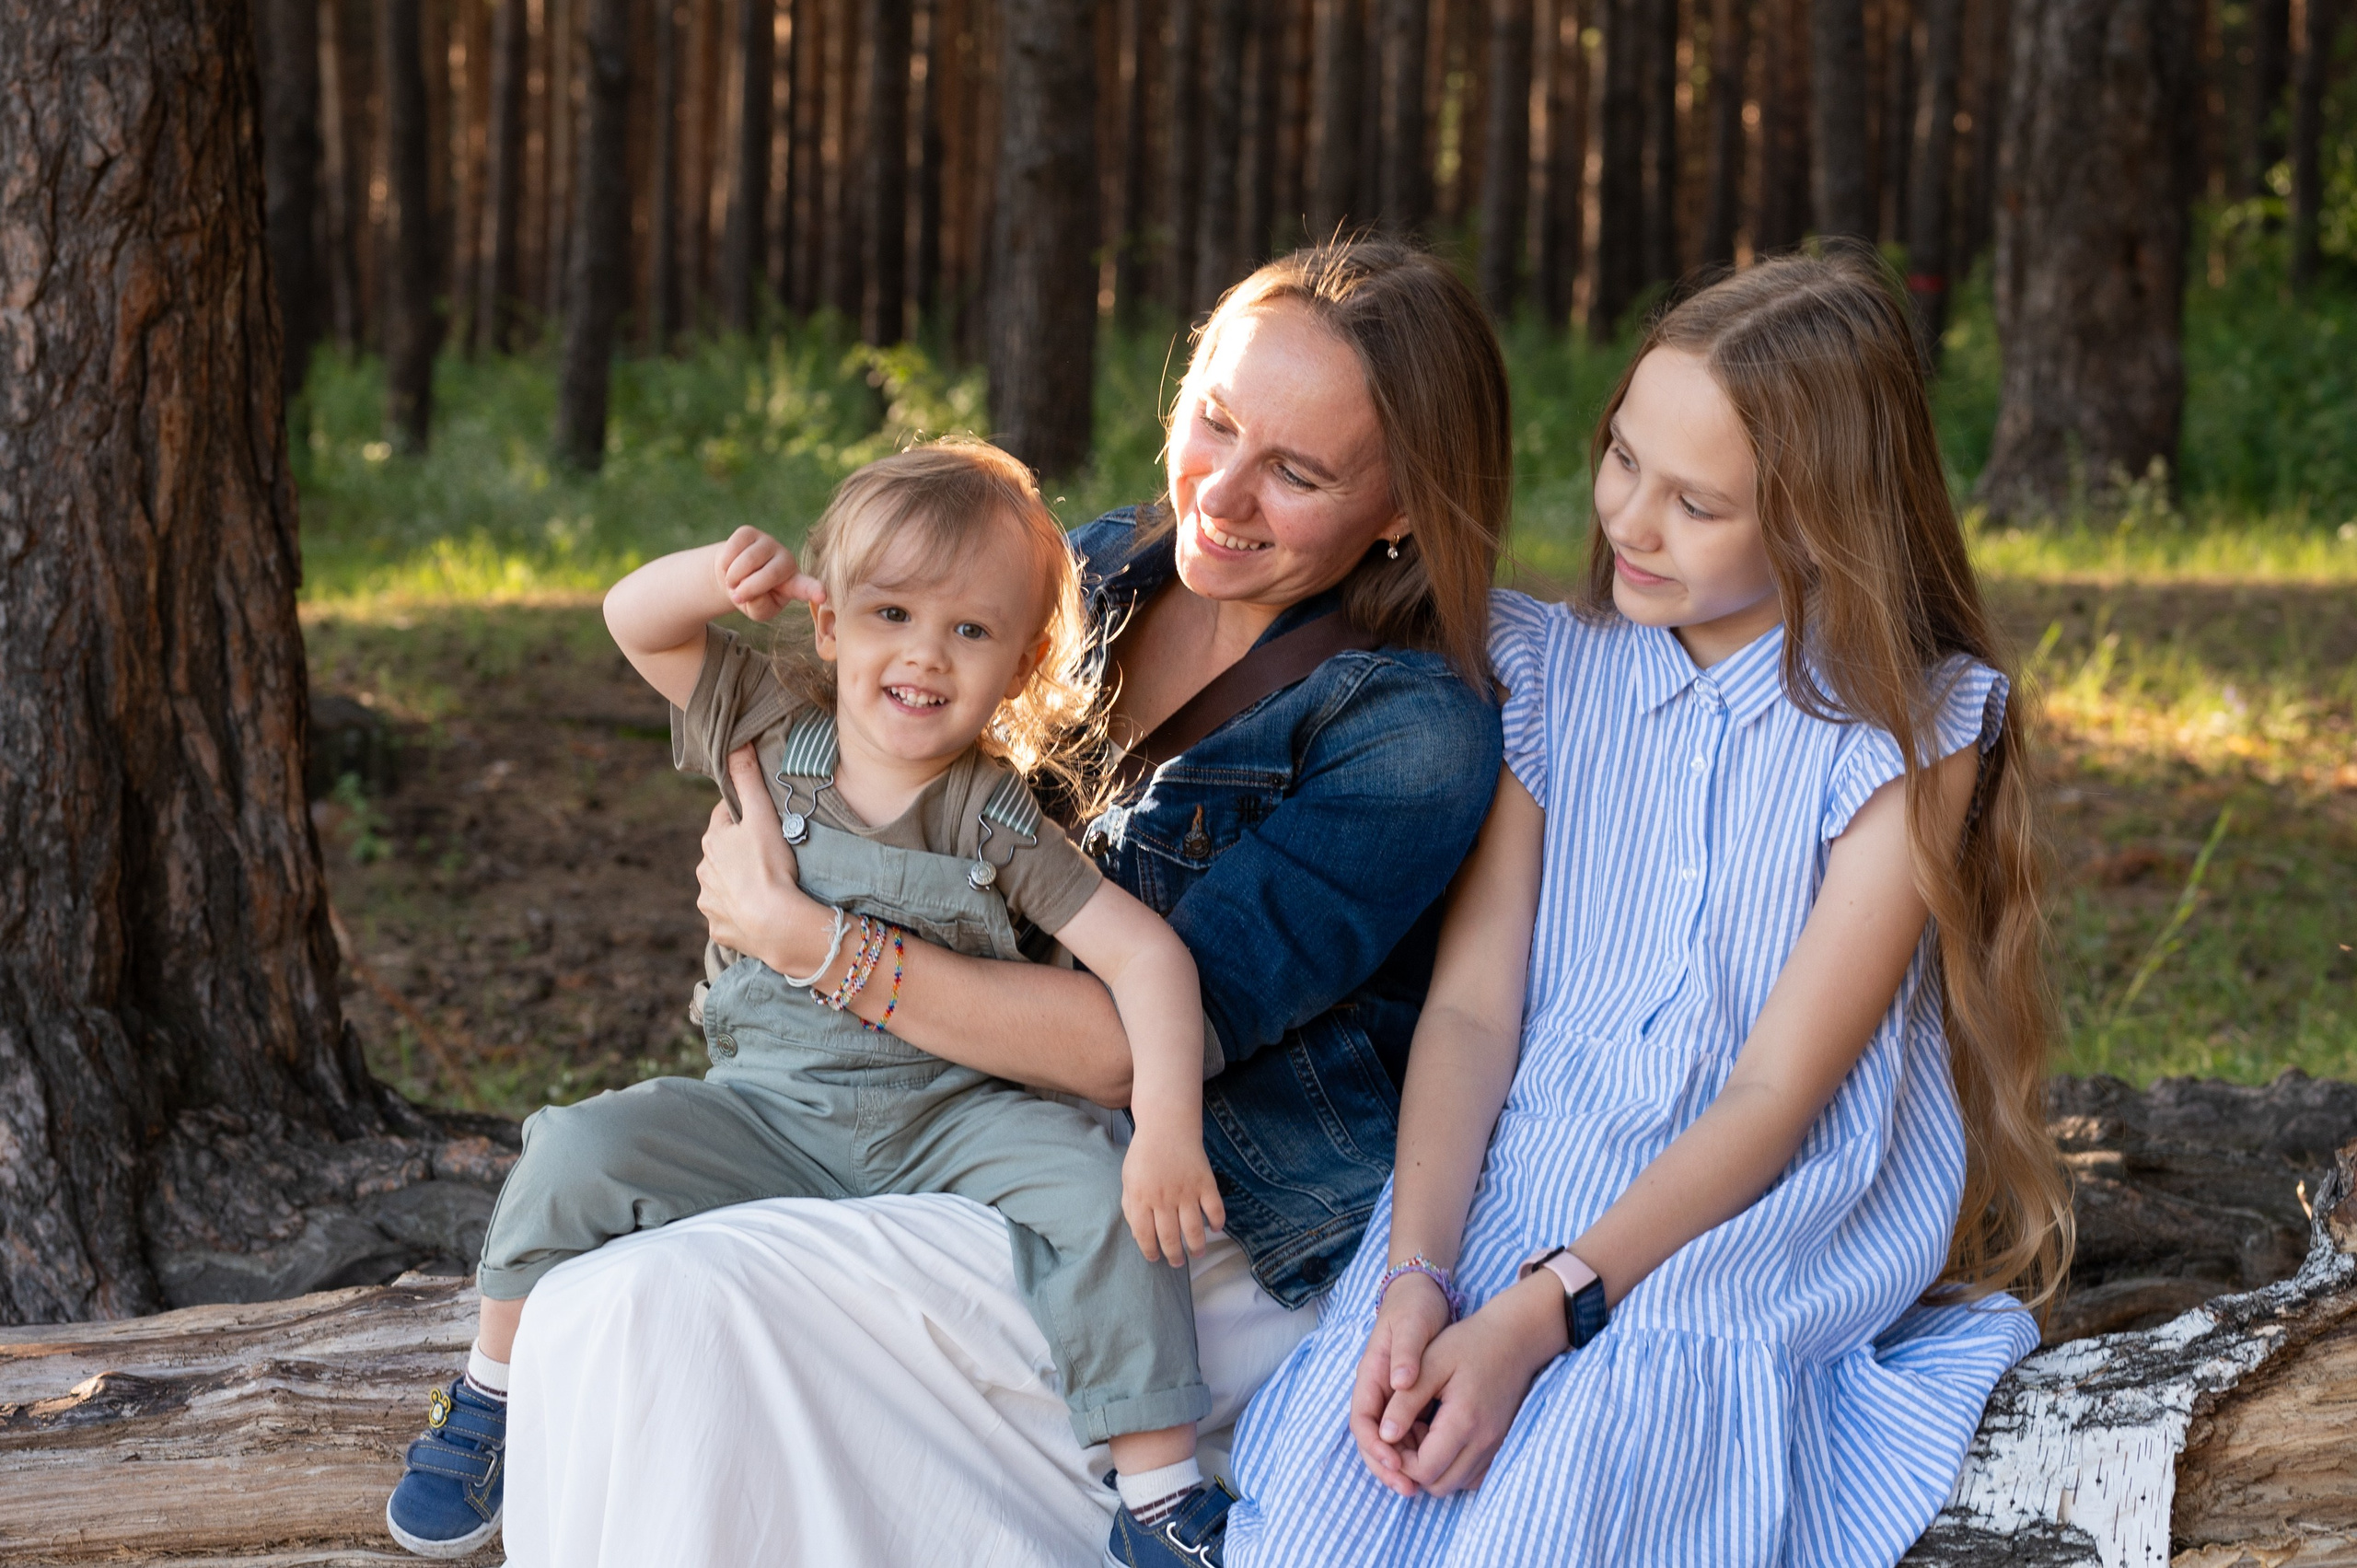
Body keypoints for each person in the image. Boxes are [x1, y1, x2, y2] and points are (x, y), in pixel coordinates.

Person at [494, 239, 1514, 1567]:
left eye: (1299, 473)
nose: (1224, 492)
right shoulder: (1080, 575)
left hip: (1166, 1215)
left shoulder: (1407, 728)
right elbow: (846, 729)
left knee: (657, 1305)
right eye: (1213, 420)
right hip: (916, 1118)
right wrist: (767, 803)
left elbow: (1128, 1036)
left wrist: (809, 936)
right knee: (585, 1294)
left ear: (1400, 506)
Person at [1224, 252, 2077, 1568]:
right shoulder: (1556, 675)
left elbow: (1777, 1095)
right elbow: (1471, 1007)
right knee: (1337, 1503)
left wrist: (1537, 1313)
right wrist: (1419, 1270)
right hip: (1534, 1159)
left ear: (1820, 521)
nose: (1630, 518)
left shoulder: (1910, 731)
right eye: (1623, 457)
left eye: (1698, 502)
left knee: (1566, 1495)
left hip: (1745, 1210)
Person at [385, 441, 1230, 1561]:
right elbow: (636, 620)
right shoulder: (771, 729)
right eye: (890, 612)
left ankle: (1161, 1491)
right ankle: (491, 1395)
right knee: (574, 1148)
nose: (923, 655)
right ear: (828, 623)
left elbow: (1149, 960)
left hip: (951, 1113)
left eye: (970, 632)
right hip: (766, 1108)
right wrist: (712, 575)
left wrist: (1165, 1129)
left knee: (1094, 1192)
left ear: (1020, 667)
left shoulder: (997, 816)